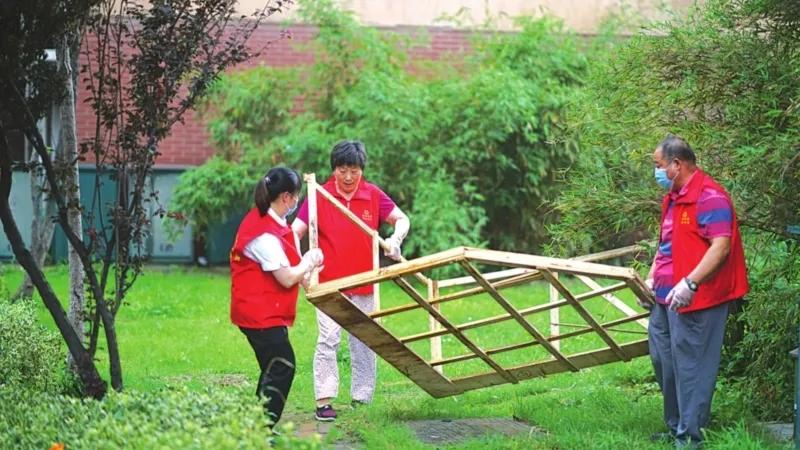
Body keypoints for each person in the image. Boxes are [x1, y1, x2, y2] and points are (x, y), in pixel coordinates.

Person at [292, 140, 411, 422]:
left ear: (361, 169)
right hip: (329, 285)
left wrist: (396, 240)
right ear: (334, 169)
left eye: (353, 170)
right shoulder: (319, 195)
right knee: (328, 340)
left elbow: (402, 219)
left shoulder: (372, 194)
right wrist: (302, 270)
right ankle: (324, 400)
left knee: (365, 341)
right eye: (342, 170)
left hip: (365, 282)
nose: (347, 177)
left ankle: (362, 399)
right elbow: (293, 233)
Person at [645, 135, 748, 448]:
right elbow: (665, 245)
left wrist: (690, 283)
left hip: (697, 298)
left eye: (658, 165)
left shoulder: (710, 197)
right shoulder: (674, 197)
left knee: (691, 366)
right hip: (664, 296)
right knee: (664, 361)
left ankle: (690, 436)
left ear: (677, 165)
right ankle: (676, 425)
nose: (656, 172)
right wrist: (649, 279)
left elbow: (721, 247)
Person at [230, 167, 324, 428]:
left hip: (263, 312)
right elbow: (286, 277)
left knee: (272, 368)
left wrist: (309, 272)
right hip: (258, 315)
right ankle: (263, 430)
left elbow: (292, 260)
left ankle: (257, 426)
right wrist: (309, 261)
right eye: (295, 197)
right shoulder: (262, 234)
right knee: (283, 366)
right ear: (286, 197)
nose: (296, 202)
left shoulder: (273, 222)